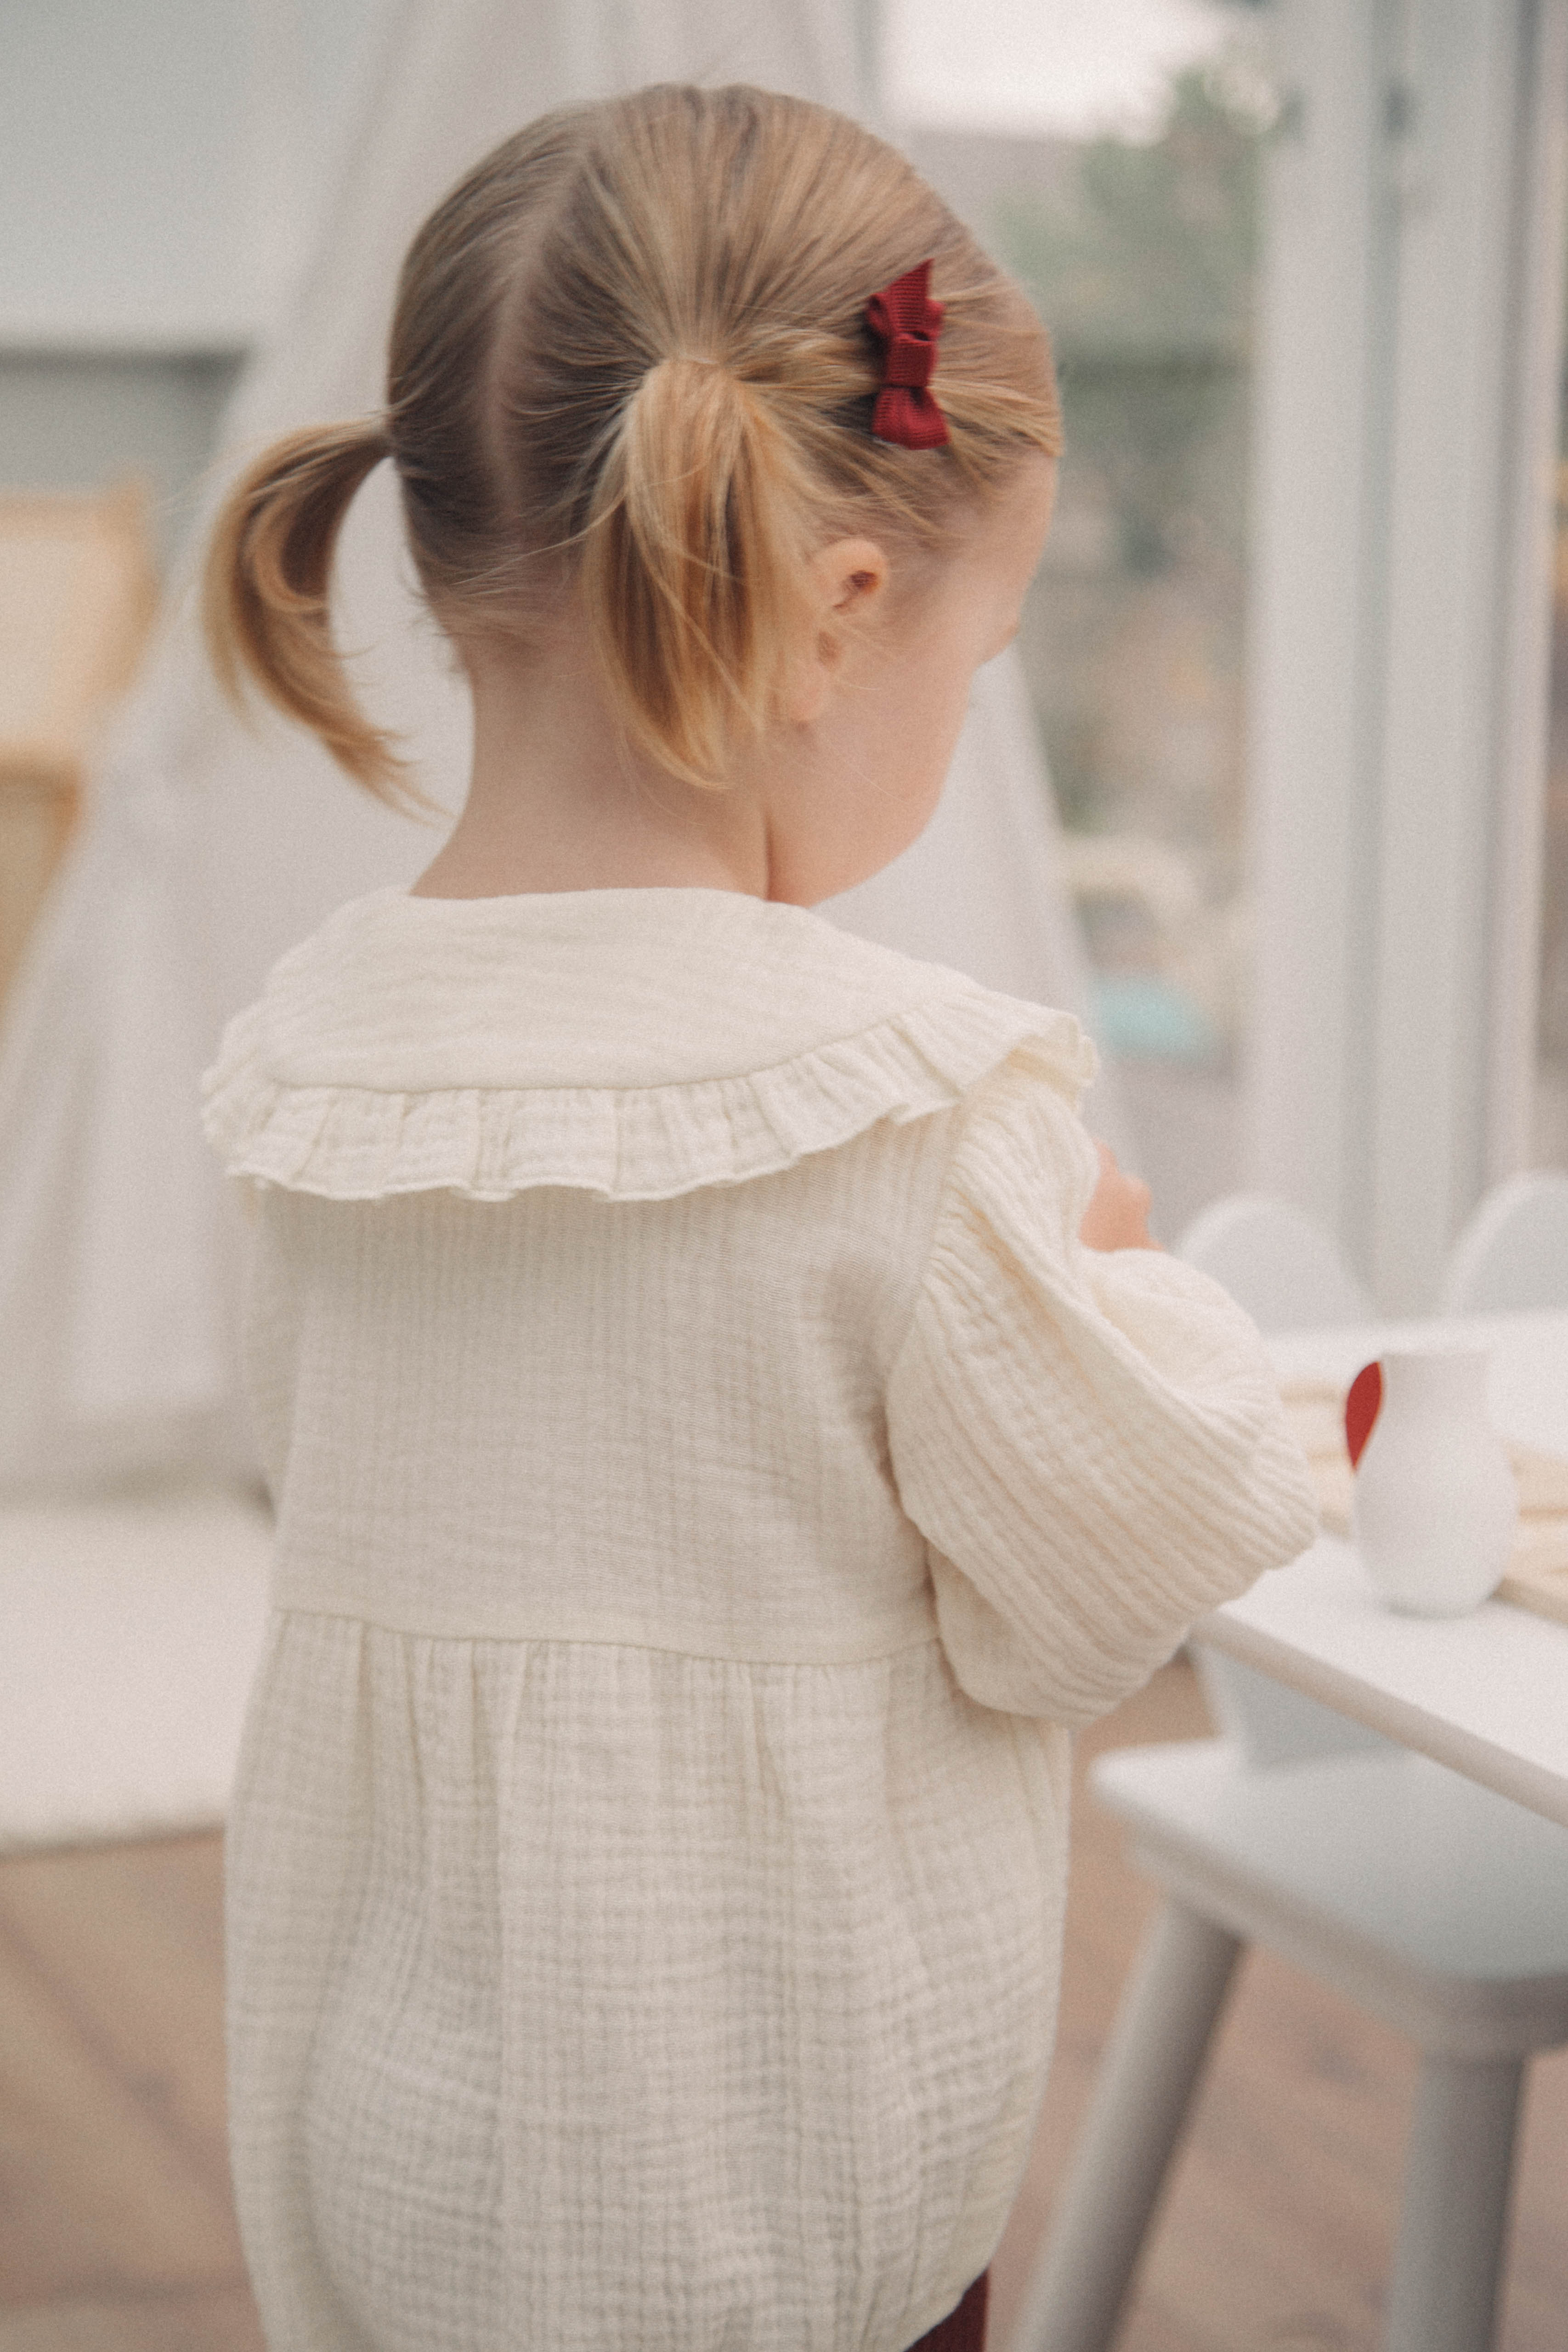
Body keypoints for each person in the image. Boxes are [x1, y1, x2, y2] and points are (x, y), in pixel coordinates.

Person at [199, 83, 1318, 2352]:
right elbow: (1124, 1555)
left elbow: (326, 1471)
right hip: (773, 2202)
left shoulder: (299, 1076)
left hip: (400, 2172)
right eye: (966, 666)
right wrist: (1110, 1272)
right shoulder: (901, 1116)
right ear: (835, 615)